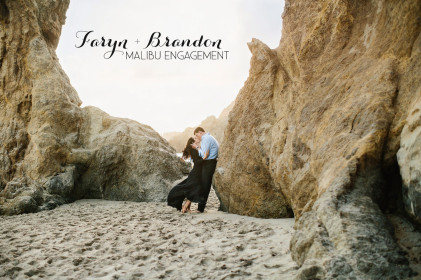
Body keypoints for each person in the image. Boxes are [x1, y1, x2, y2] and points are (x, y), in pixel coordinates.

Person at [167, 136, 209, 213]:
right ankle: (184, 207)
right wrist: (204, 158)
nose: (198, 139)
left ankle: (187, 208)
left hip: (196, 172)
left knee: (191, 188)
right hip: (196, 172)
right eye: (196, 139)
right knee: (194, 189)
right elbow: (197, 162)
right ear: (193, 142)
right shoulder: (194, 150)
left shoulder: (195, 149)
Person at [190, 127, 219, 212]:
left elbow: (204, 154)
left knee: (205, 186)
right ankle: (200, 207)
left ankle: (200, 208)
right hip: (209, 162)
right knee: (204, 185)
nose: (197, 137)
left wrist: (197, 148)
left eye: (196, 135)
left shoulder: (206, 138)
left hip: (209, 163)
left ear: (200, 132)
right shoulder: (210, 137)